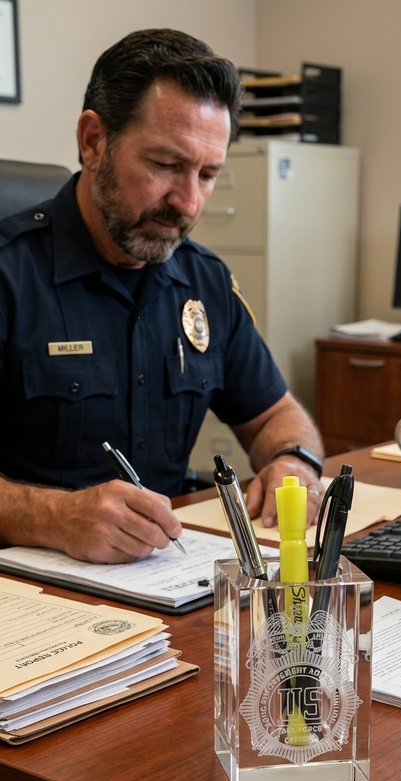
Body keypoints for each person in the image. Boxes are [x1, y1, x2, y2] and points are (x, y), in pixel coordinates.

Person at [0, 29, 324, 564]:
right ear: (93, 141)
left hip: (166, 586)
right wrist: (53, 517)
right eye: (166, 166)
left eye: (208, 174)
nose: (188, 202)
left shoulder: (205, 283)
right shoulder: (11, 277)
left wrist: (294, 462)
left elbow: (275, 415)